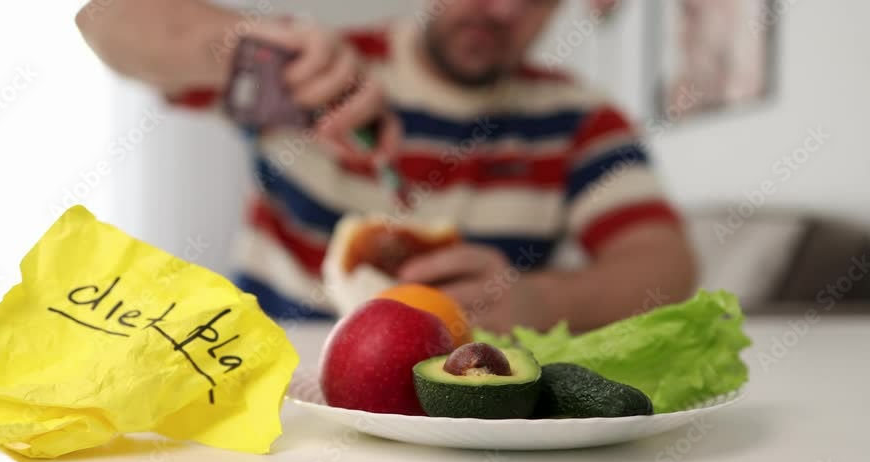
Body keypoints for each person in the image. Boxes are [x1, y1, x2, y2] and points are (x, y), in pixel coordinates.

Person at [76, 0, 698, 333]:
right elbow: (105, 19)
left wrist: (532, 299)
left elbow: (664, 267)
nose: (503, 8)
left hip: (460, 402)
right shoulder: (310, 70)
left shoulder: (580, 119)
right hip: (275, 384)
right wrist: (251, 48)